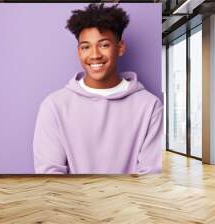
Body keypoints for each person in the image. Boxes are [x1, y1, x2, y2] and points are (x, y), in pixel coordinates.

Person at [33, 3, 163, 174]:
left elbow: (151, 175)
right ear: (79, 51)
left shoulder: (149, 106)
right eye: (86, 47)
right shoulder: (54, 105)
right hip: (71, 201)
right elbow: (50, 176)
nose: (94, 55)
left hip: (132, 201)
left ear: (120, 47)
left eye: (104, 45)